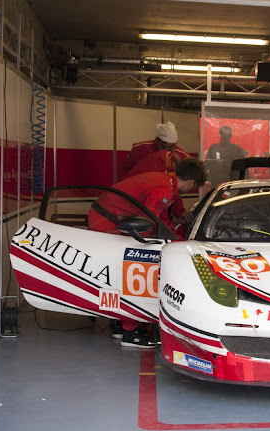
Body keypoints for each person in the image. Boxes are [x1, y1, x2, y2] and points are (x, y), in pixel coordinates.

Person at [88, 158, 207, 348]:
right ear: (192, 183)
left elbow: (171, 200)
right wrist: (176, 243)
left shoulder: (166, 180)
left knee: (124, 270)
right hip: (106, 220)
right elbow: (152, 220)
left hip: (107, 214)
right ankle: (130, 332)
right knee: (130, 270)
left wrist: (180, 212)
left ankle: (120, 324)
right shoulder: (163, 189)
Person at [118, 121, 192, 180]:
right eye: (164, 146)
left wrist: (179, 166)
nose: (167, 150)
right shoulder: (140, 149)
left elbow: (190, 179)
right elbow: (124, 171)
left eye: (172, 146)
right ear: (157, 140)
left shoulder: (182, 156)